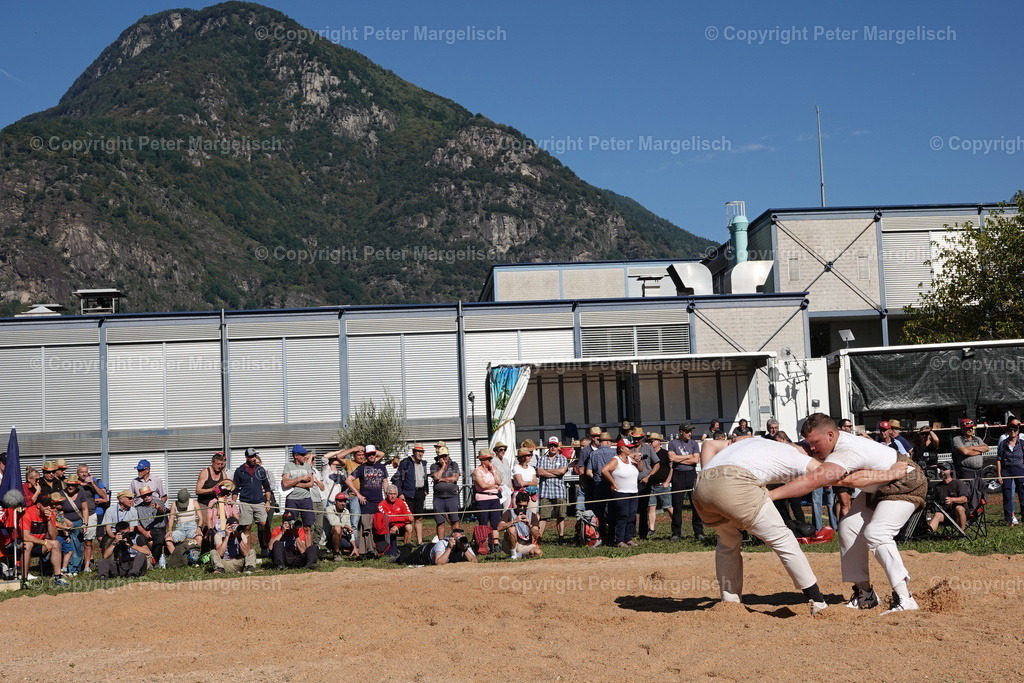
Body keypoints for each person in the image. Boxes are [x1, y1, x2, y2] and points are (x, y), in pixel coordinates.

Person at [767, 413, 922, 615]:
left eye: (815, 443)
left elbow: (828, 480)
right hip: (878, 486)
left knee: (877, 533)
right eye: (809, 443)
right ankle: (865, 593)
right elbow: (799, 449)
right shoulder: (829, 442)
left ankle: (904, 597)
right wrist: (762, 446)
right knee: (848, 527)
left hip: (905, 481)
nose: (811, 448)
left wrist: (771, 495)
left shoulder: (846, 451)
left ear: (830, 435)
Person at [694, 436, 842, 615]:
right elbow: (828, 474)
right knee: (783, 540)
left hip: (701, 485)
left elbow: (710, 444)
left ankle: (730, 602)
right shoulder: (795, 455)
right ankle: (817, 600)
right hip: (735, 482)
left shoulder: (758, 441)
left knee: (728, 544)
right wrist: (866, 477)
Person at [346, 445, 389, 554]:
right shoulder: (361, 468)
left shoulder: (382, 467)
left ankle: (380, 549)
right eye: (369, 454)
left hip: (379, 501)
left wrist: (387, 496)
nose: (371, 456)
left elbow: (385, 482)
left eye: (373, 454)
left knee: (379, 526)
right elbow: (348, 480)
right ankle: (367, 550)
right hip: (366, 502)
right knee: (366, 527)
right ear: (366, 455)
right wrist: (358, 495)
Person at [667, 423, 705, 542]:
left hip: (691, 474)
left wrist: (679, 459)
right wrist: (688, 456)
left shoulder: (694, 443)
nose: (690, 434)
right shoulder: (673, 443)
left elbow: (695, 460)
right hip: (678, 475)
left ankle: (699, 532)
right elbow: (672, 458)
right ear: (681, 432)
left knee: (695, 505)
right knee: (677, 506)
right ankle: (676, 533)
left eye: (690, 431)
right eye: (687, 431)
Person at [19, 494, 69, 585]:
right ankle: (24, 579)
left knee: (56, 543)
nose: (48, 507)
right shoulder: (27, 513)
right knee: (28, 545)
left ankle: (58, 576)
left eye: (50, 505)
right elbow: (25, 537)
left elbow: (53, 536)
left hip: (38, 543)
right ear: (38, 505)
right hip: (21, 543)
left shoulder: (50, 514)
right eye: (45, 505)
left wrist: (49, 520)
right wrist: (45, 542)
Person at [233, 447, 274, 554]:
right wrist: (233, 503)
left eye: (254, 456)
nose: (254, 458)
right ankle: (248, 553)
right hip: (245, 502)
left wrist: (268, 501)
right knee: (247, 527)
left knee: (265, 525)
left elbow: (267, 487)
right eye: (251, 457)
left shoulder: (260, 470)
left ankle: (268, 550)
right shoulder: (239, 470)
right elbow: (235, 489)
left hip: (259, 502)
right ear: (246, 457)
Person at [602, 440, 640, 547]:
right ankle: (619, 539)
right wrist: (613, 482)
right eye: (628, 447)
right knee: (623, 515)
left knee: (631, 516)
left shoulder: (630, 459)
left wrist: (639, 461)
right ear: (622, 448)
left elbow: (640, 468)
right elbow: (604, 470)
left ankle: (628, 538)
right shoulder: (616, 460)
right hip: (621, 492)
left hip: (633, 491)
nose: (630, 449)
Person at [394, 444, 430, 545]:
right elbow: (397, 478)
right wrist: (400, 493)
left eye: (422, 452)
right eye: (418, 451)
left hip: (420, 493)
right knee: (408, 519)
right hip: (408, 494)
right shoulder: (406, 463)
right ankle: (407, 542)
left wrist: (426, 490)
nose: (420, 454)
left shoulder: (423, 463)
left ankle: (419, 541)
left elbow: (425, 478)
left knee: (419, 517)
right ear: (414, 452)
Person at [76, 464, 108, 573]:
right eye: (82, 472)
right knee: (77, 541)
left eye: (86, 472)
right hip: (77, 515)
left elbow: (104, 496)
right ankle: (75, 565)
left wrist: (93, 484)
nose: (84, 474)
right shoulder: (74, 483)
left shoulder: (93, 483)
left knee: (88, 542)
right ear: (77, 473)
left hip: (91, 515)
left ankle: (87, 566)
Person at [536, 437, 569, 542]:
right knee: (543, 516)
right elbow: (540, 472)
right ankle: (539, 537)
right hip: (545, 491)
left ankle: (561, 538)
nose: (553, 448)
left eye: (555, 445)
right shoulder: (541, 458)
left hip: (559, 491)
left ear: (558, 447)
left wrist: (547, 471)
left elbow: (562, 472)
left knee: (561, 516)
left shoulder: (563, 458)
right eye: (551, 445)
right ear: (548, 446)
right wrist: (555, 473)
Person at [472, 450, 503, 554]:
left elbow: (499, 481)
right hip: (482, 499)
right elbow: (483, 485)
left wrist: (493, 471)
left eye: (491, 459)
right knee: (483, 522)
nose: (490, 461)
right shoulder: (477, 471)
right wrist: (494, 486)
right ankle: (482, 544)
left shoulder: (493, 469)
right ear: (482, 460)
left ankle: (495, 544)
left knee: (495, 522)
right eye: (488, 459)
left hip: (494, 498)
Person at [282, 445, 320, 529]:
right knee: (290, 526)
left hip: (306, 499)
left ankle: (307, 539)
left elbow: (310, 484)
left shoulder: (307, 466)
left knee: (308, 527)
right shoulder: (288, 466)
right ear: (296, 456)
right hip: (292, 499)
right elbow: (285, 483)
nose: (305, 456)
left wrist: (294, 483)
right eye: (302, 455)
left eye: (305, 454)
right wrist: (301, 478)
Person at [58, 476, 89, 575]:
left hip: (78, 522)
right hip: (65, 524)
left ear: (77, 486)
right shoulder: (61, 494)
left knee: (78, 546)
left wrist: (85, 524)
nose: (70, 487)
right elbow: (57, 510)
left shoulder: (81, 493)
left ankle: (76, 568)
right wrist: (64, 520)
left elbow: (85, 509)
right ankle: (67, 568)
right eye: (69, 485)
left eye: (73, 485)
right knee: (69, 546)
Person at [497, 492, 543, 559]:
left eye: (524, 506)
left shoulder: (532, 515)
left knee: (538, 553)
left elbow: (536, 536)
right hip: (510, 543)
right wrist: (514, 521)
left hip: (525, 544)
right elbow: (499, 528)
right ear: (516, 503)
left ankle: (519, 555)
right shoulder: (509, 513)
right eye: (520, 506)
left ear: (528, 503)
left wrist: (529, 525)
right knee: (511, 529)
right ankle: (513, 554)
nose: (522, 508)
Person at [429, 447, 462, 540]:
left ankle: (456, 540)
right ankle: (441, 542)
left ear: (448, 455)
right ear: (438, 457)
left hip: (452, 497)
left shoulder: (454, 465)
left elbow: (455, 478)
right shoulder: (434, 466)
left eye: (445, 456)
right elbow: (436, 477)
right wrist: (443, 466)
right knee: (440, 521)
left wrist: (442, 479)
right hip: (438, 498)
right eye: (442, 456)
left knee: (454, 520)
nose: (444, 458)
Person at [927, 465, 970, 533]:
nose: (942, 471)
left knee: (959, 508)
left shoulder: (958, 483)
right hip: (945, 513)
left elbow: (964, 499)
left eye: (944, 469)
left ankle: (962, 533)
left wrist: (952, 500)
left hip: (959, 514)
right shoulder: (938, 487)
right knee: (937, 515)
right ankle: (929, 532)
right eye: (940, 469)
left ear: (951, 471)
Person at [644, 433, 671, 539]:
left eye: (652, 441)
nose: (650, 443)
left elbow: (672, 468)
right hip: (651, 485)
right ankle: (651, 529)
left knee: (668, 507)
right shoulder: (647, 454)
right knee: (651, 507)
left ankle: (676, 525)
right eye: (649, 441)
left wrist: (667, 481)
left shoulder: (665, 453)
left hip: (662, 484)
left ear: (659, 442)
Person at [996, 422, 1024, 526]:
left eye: (1015, 430)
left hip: (1020, 469)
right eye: (1010, 430)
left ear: (1018, 432)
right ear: (1007, 432)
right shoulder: (1003, 443)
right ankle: (1008, 519)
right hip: (1006, 470)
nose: (1012, 432)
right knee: (1007, 494)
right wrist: (999, 475)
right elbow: (999, 459)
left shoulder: (1022, 443)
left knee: (1022, 494)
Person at [165, 488, 203, 562]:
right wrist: (169, 530)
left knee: (199, 538)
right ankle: (177, 559)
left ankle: (194, 559)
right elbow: (171, 518)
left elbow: (201, 518)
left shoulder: (194, 502)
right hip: (180, 528)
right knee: (168, 540)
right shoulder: (174, 504)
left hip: (192, 527)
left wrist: (199, 528)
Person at [134, 485, 168, 566]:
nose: (147, 497)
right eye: (144, 496)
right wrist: (145, 532)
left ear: (151, 494)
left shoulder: (158, 502)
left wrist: (158, 507)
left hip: (159, 528)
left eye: (148, 494)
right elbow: (137, 524)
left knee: (159, 540)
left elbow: (163, 510)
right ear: (141, 497)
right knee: (140, 539)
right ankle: (144, 560)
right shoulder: (138, 508)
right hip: (145, 530)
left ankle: (154, 561)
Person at [375, 485, 413, 556]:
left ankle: (405, 550)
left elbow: (411, 518)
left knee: (409, 527)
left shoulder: (402, 503)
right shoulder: (381, 504)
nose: (393, 496)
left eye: (395, 494)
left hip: (399, 526)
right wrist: (402, 517)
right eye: (391, 494)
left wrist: (397, 526)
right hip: (387, 527)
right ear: (387, 494)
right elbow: (387, 519)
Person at [195, 452, 229, 531]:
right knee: (205, 524)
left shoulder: (224, 475)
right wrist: (211, 490)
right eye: (217, 464)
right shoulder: (205, 472)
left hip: (216, 504)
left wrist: (225, 495)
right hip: (204, 503)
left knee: (217, 524)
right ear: (212, 462)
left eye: (221, 464)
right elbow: (197, 490)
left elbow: (225, 490)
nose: (219, 466)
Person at [326, 492, 358, 560]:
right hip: (329, 538)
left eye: (344, 501)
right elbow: (333, 523)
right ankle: (336, 553)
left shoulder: (346, 511)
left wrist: (354, 546)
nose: (342, 503)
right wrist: (346, 526)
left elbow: (349, 529)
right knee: (337, 527)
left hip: (342, 536)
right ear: (335, 501)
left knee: (357, 543)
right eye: (340, 501)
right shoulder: (329, 509)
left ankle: (349, 550)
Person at [511, 448, 540, 515]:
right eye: (528, 455)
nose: (530, 457)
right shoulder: (516, 468)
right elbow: (520, 483)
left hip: (532, 494)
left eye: (530, 455)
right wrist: (530, 483)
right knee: (519, 514)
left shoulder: (531, 469)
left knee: (532, 515)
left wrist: (525, 483)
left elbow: (535, 482)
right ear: (523, 457)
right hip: (520, 495)